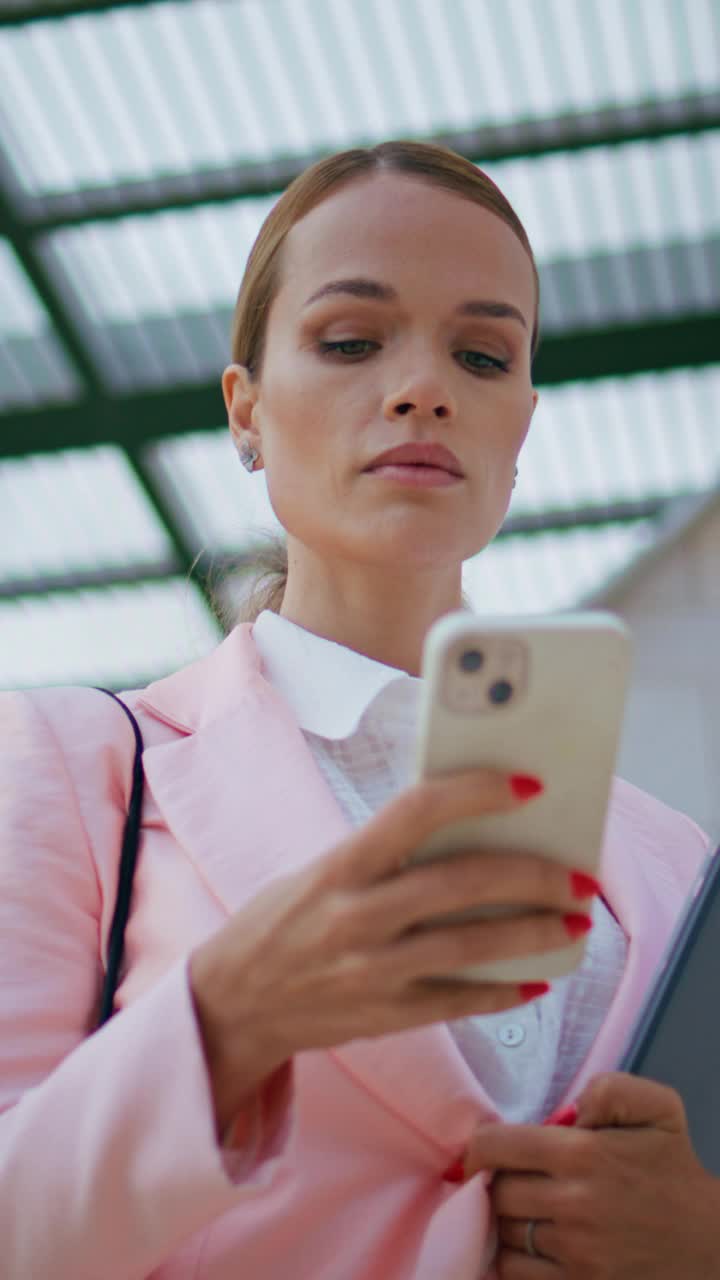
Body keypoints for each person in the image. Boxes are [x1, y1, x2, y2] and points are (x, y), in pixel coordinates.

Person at [0, 139, 716, 1280]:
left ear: (522, 426)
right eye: (350, 340)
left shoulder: (681, 860)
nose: (424, 386)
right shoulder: (72, 764)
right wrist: (228, 1016)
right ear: (246, 410)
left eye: (484, 355)